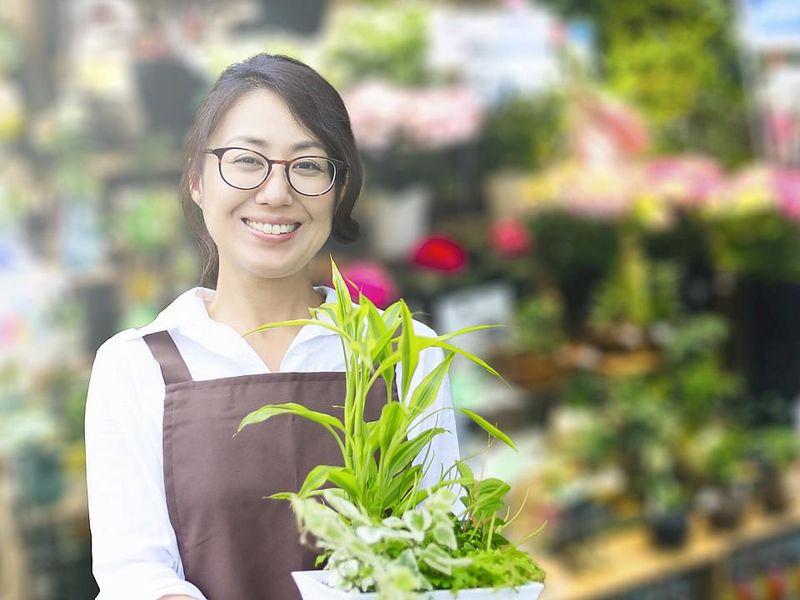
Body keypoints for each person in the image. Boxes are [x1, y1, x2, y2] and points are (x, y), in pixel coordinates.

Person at [84, 54, 460, 600]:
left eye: (307, 165)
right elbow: (134, 575)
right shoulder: (137, 367)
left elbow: (446, 543)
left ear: (338, 189)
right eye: (246, 160)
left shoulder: (406, 352)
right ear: (196, 180)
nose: (276, 193)